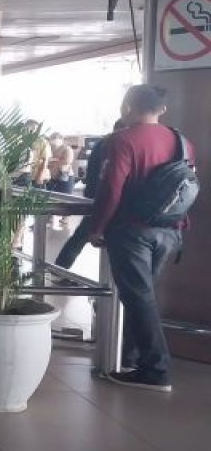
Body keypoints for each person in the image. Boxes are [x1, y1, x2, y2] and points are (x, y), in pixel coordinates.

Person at [88, 85, 195, 393]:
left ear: (127, 106)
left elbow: (111, 190)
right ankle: (131, 357)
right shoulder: (182, 142)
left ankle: (156, 369)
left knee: (138, 297)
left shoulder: (123, 140)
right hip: (170, 230)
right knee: (143, 295)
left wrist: (97, 227)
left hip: (132, 231)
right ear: (162, 109)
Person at [54, 120, 126, 270]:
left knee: (81, 236)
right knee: (84, 235)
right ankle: (60, 269)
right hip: (103, 199)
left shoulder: (103, 144)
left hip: (95, 198)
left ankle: (60, 269)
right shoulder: (112, 145)